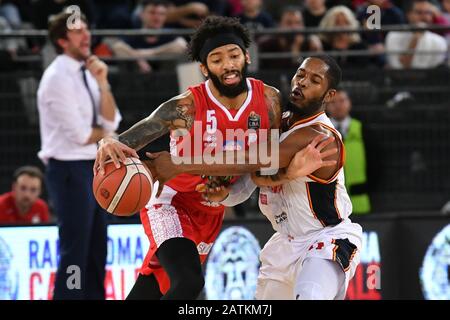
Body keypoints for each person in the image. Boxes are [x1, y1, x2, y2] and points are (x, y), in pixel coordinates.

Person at [94, 16, 335, 299]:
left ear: (246, 56)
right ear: (204, 68)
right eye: (217, 59)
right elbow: (130, 139)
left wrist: (245, 189)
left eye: (233, 55)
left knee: (155, 286)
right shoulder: (186, 106)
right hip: (171, 202)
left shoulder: (269, 101)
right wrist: (107, 141)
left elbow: (262, 168)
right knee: (188, 283)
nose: (228, 65)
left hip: (211, 212)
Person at [202, 56, 363, 300]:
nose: (303, 82)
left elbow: (253, 162)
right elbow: (251, 177)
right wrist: (225, 195)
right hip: (285, 242)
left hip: (324, 237)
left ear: (329, 95)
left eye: (314, 80)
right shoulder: (278, 123)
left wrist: (180, 161)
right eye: (300, 74)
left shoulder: (320, 135)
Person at [37, 12, 121, 299]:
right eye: (76, 31)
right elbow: (81, 135)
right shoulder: (56, 77)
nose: (85, 36)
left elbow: (112, 122)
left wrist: (104, 82)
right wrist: (106, 134)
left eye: (86, 29)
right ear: (62, 40)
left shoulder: (90, 72)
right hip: (69, 169)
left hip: (94, 167)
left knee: (99, 247)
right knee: (76, 248)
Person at [111, 0, 187, 73]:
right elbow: (117, 47)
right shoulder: (133, 34)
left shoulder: (169, 34)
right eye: (152, 12)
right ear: (141, 14)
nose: (157, 17)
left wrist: (149, 53)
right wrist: (137, 58)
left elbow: (182, 45)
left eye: (161, 14)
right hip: (135, 78)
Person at [327, 89, 371, 214]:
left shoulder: (363, 129)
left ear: (349, 103)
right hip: (331, 203)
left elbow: (375, 163)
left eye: (342, 101)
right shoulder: (320, 131)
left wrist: (368, 187)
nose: (338, 106)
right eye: (333, 102)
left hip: (360, 200)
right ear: (326, 106)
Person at [385, 0, 448, 69]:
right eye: (419, 12)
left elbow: (435, 71)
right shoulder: (393, 36)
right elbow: (399, 68)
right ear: (408, 14)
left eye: (428, 13)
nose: (424, 17)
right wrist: (415, 40)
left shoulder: (439, 41)